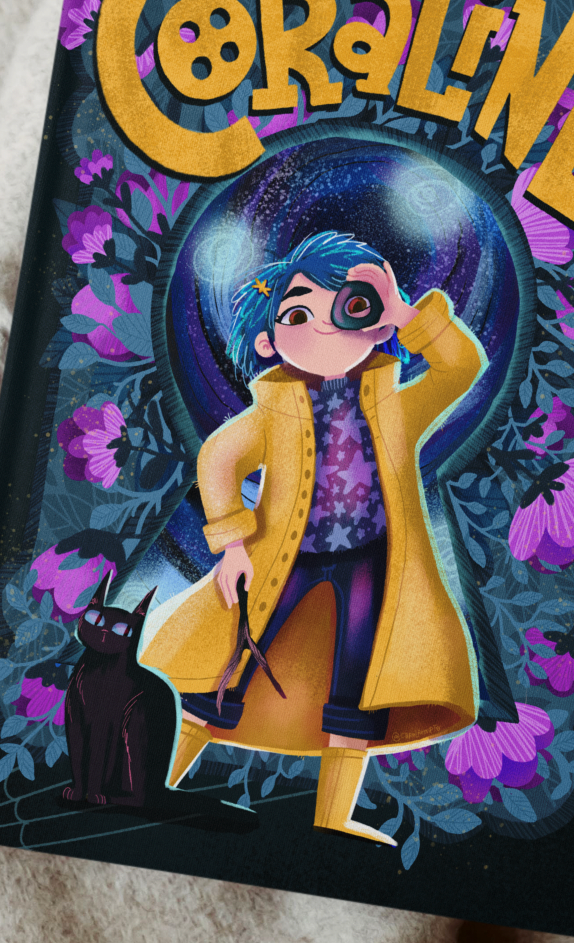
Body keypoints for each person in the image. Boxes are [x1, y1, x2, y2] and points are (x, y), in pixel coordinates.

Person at [138, 230, 485, 843]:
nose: (324, 326)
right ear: (268, 341)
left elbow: (461, 367)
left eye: (346, 307)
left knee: (358, 682)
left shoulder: (395, 408)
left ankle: (333, 818)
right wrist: (233, 545)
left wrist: (404, 313)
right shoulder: (272, 412)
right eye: (299, 315)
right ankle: (158, 781)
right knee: (228, 666)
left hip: (370, 563)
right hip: (283, 559)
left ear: (372, 323)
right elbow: (220, 458)